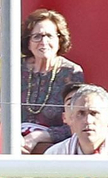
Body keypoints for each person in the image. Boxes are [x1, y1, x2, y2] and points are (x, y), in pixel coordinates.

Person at [19, 9, 84, 153]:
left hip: (53, 150)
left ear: (59, 40)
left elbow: (77, 123)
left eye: (49, 36)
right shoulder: (15, 68)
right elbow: (1, 111)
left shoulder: (71, 72)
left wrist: (38, 136)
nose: (44, 42)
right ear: (28, 42)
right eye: (37, 36)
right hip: (13, 145)